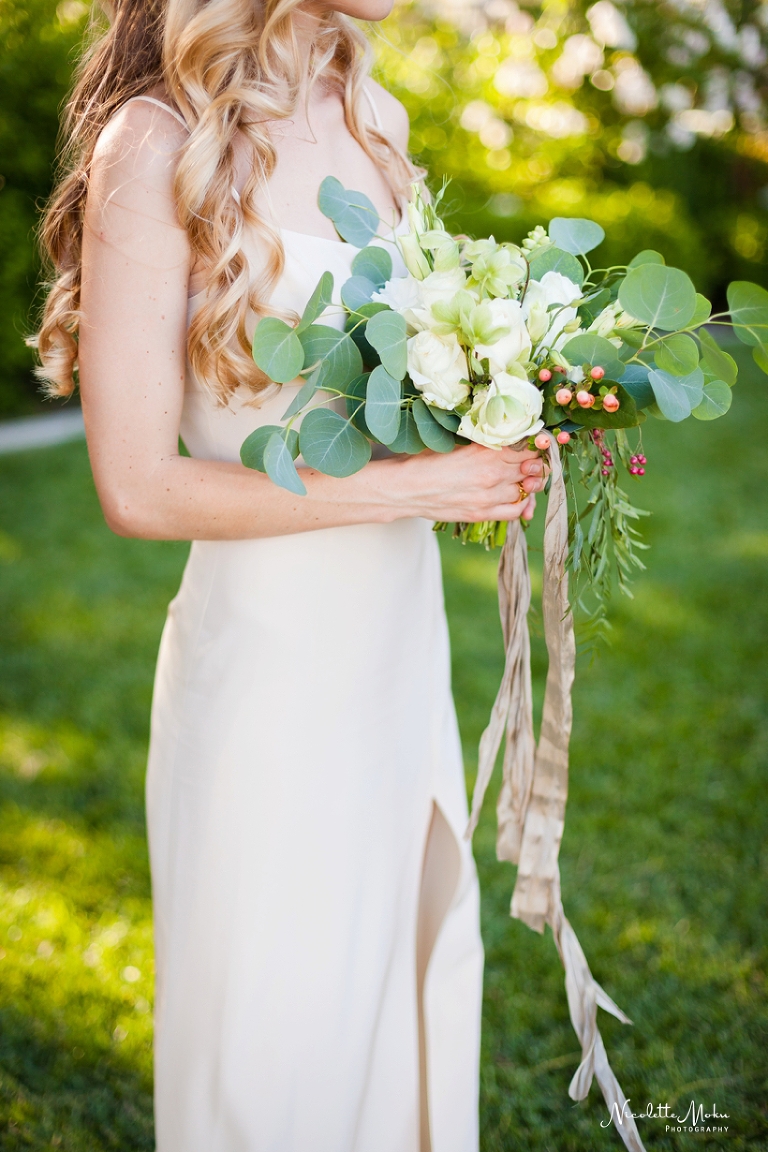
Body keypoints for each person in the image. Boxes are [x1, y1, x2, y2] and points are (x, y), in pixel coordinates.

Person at [33, 0, 546, 1146]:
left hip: (396, 651)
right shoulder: (157, 143)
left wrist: (515, 415)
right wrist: (419, 490)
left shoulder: (377, 115)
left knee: (396, 996)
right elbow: (139, 488)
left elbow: (395, 400)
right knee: (273, 1051)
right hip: (267, 681)